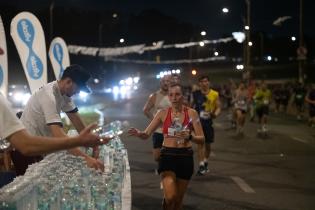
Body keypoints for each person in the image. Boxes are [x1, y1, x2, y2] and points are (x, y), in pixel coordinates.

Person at [128, 84, 204, 210]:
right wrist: (139, 133)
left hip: (185, 157)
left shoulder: (192, 113)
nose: (174, 98)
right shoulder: (162, 113)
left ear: (183, 96)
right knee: (170, 197)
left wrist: (190, 137)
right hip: (167, 156)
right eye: (171, 95)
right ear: (168, 97)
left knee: (178, 201)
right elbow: (146, 134)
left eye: (177, 94)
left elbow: (202, 139)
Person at [20, 64, 104, 172]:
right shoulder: (48, 96)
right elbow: (59, 136)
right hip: (27, 150)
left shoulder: (64, 94)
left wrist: (94, 145)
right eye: (78, 88)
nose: (78, 92)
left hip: (41, 146)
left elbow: (78, 123)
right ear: (68, 81)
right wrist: (86, 159)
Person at [0, 92, 110, 156]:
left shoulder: (64, 97)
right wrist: (78, 141)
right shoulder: (48, 97)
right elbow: (25, 144)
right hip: (26, 154)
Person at [191, 75, 221, 175]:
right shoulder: (195, 94)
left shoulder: (214, 94)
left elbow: (218, 107)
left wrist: (215, 114)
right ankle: (201, 165)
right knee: (200, 143)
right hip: (198, 123)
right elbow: (190, 106)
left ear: (209, 82)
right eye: (202, 81)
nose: (204, 83)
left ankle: (205, 161)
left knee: (208, 146)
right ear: (199, 83)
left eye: (206, 81)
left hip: (208, 122)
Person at [143, 75, 171, 169]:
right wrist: (154, 121)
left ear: (170, 83)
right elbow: (146, 110)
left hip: (172, 131)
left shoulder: (174, 95)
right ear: (160, 83)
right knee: (157, 156)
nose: (166, 83)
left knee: (171, 154)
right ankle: (163, 165)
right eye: (164, 81)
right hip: (158, 130)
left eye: (167, 81)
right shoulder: (155, 96)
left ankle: (166, 170)